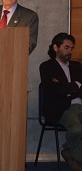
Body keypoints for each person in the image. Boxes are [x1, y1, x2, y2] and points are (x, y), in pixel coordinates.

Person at [39, 33, 82, 170]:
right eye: (66, 47)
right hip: (61, 108)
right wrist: (75, 85)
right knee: (76, 129)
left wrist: (67, 88)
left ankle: (70, 152)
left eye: (72, 48)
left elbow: (65, 89)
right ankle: (74, 155)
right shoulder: (46, 67)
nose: (70, 51)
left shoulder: (76, 66)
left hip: (79, 104)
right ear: (56, 47)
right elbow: (55, 91)